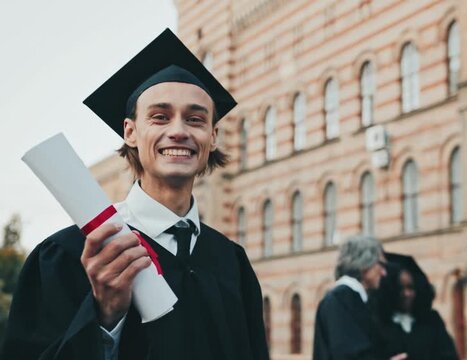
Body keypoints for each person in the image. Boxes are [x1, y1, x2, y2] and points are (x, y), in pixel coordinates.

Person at [0, 29, 269, 360]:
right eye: (160, 116)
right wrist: (105, 317)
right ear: (130, 131)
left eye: (196, 119)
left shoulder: (232, 262)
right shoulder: (66, 255)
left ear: (212, 137)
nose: (179, 131)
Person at [313, 235, 406, 360]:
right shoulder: (339, 300)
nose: (384, 272)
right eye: (381, 264)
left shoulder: (355, 299)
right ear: (364, 262)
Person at [375, 253, 458, 360]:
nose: (407, 294)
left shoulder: (431, 320)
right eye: (400, 288)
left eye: (411, 287)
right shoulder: (380, 323)